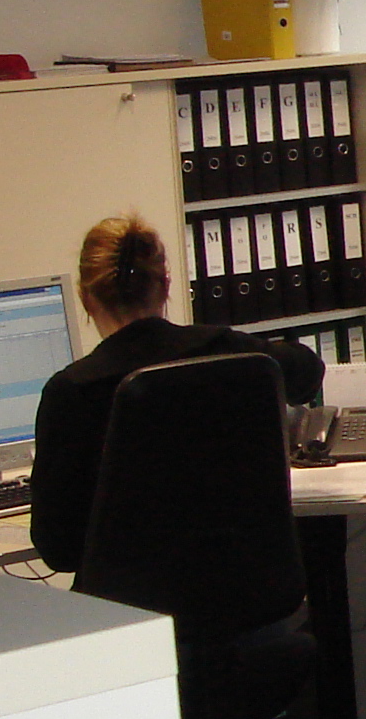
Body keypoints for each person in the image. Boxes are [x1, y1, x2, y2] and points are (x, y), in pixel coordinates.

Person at [30, 215, 325, 573]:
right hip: (249, 585)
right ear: (165, 285)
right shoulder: (228, 351)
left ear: (85, 297)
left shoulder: (72, 391)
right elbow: (307, 370)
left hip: (129, 599)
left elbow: (58, 550)